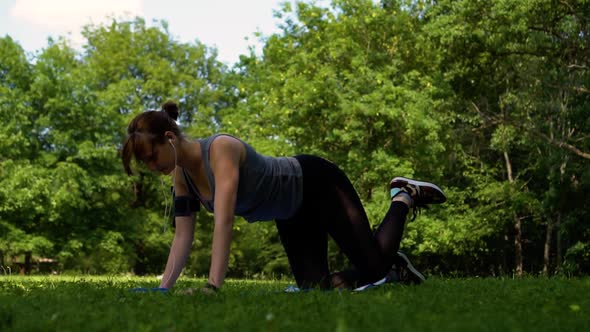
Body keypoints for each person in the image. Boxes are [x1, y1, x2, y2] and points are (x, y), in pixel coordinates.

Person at [122, 101, 446, 292]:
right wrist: (163, 289)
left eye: (152, 157)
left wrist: (212, 287)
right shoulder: (181, 175)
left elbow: (224, 222)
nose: (151, 167)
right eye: (145, 163)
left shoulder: (220, 149)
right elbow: (183, 235)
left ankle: (403, 196)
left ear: (170, 138)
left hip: (317, 183)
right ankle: (395, 266)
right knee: (315, 289)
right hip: (291, 212)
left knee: (372, 268)